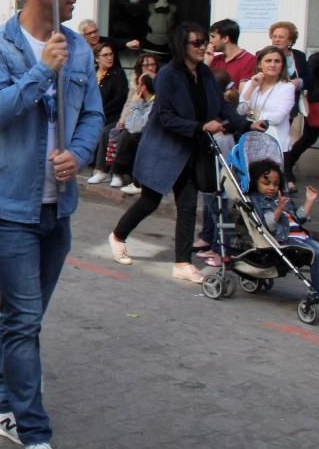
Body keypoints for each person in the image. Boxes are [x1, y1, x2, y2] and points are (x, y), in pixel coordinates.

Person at [0, 0, 103, 449]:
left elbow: (93, 113)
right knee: (24, 320)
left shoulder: (80, 49)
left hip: (57, 208)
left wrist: (81, 152)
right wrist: (40, 73)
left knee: (22, 318)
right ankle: (35, 433)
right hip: (8, 211)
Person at [108, 22, 262, 281]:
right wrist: (201, 126)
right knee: (150, 200)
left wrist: (247, 124)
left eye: (205, 41)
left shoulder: (205, 73)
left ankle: (181, 263)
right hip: (165, 149)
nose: (203, 47)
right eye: (197, 43)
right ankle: (117, 236)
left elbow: (221, 107)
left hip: (193, 149)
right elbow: (166, 117)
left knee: (188, 205)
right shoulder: (168, 75)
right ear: (182, 45)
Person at [250, 161, 319, 313]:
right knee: (318, 257)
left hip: (303, 237)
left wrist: (309, 201)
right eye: (266, 183)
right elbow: (267, 226)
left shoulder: (281, 197)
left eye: (276, 184)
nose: (271, 187)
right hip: (287, 239)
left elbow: (299, 218)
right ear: (255, 182)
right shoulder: (257, 200)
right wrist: (278, 210)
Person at [287, 23, 319, 187]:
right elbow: (309, 81)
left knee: (309, 138)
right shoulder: (318, 58)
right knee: (309, 138)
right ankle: (288, 164)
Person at [237, 45, 297, 153]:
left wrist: (252, 115)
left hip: (275, 145)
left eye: (277, 61)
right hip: (250, 142)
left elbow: (277, 118)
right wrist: (252, 87)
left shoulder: (287, 87)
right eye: (268, 61)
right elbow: (241, 111)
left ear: (282, 65)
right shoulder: (251, 83)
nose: (273, 65)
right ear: (260, 64)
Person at [86, 42, 129, 185]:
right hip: (93, 114)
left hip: (113, 115)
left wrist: (100, 112)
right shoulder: (91, 73)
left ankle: (102, 170)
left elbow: (120, 99)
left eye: (111, 54)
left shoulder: (117, 73)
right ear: (97, 58)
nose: (109, 58)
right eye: (105, 55)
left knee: (105, 131)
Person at [111, 74, 156, 196]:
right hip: (139, 134)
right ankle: (118, 174)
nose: (137, 86)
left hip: (152, 137)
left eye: (139, 84)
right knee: (121, 134)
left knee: (133, 137)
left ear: (143, 87)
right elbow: (130, 125)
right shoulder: (142, 100)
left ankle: (134, 182)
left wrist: (135, 104)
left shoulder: (155, 103)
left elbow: (138, 127)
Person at [204, 18, 255, 89]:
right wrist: (206, 62)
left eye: (213, 37)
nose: (210, 41)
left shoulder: (249, 60)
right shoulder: (214, 59)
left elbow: (243, 94)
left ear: (225, 39)